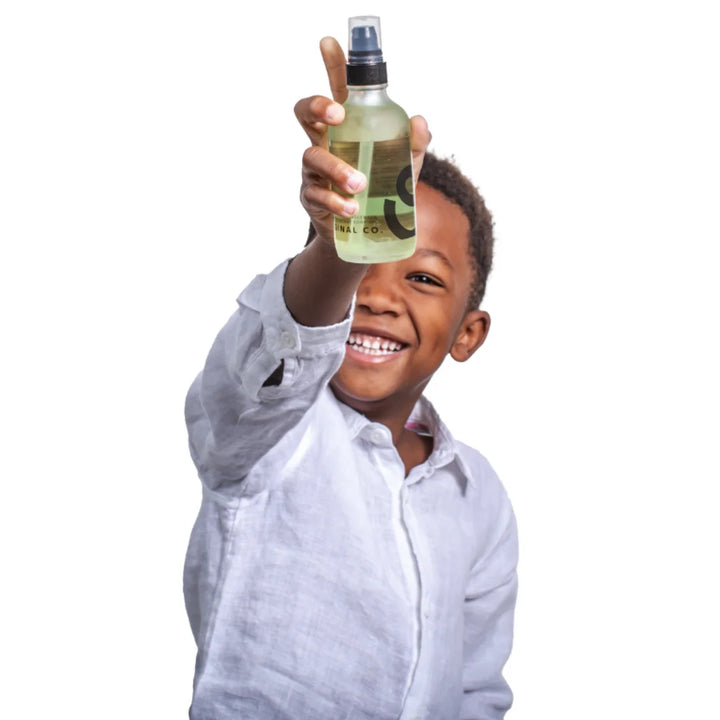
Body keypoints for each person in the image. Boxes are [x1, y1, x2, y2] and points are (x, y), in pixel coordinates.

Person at [183, 36, 518, 720]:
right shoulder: (268, 437)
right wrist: (342, 242)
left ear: (468, 334)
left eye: (423, 278)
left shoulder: (478, 495)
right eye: (363, 265)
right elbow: (274, 358)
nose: (379, 295)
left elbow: (477, 689)